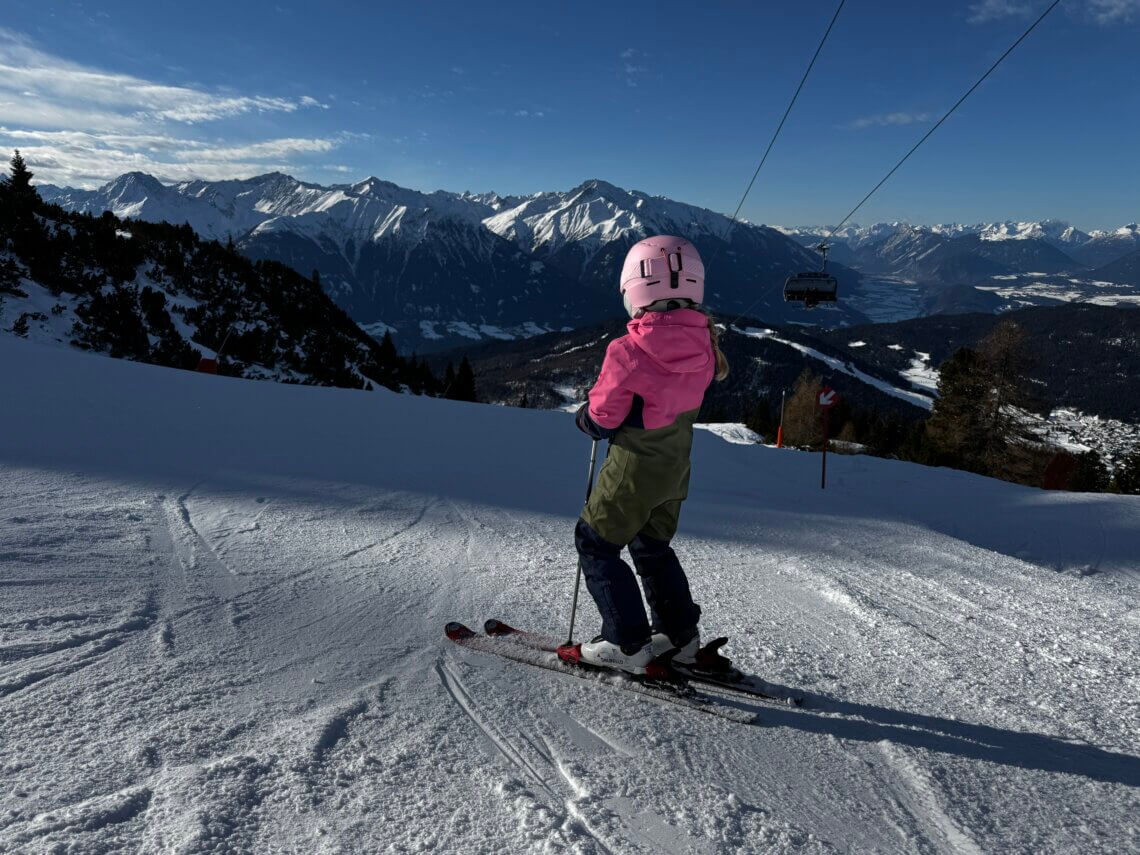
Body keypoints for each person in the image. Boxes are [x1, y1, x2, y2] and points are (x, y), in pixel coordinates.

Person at [573, 235, 729, 674]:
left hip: (633, 470)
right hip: (675, 471)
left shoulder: (627, 350)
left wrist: (586, 419)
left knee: (596, 544)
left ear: (634, 287)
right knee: (652, 546)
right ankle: (679, 636)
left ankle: (626, 643)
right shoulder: (705, 343)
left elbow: (604, 417)